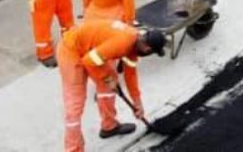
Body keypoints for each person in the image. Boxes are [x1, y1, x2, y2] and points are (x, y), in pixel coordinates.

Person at [58, 18, 167, 150]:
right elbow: (88, 61)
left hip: (94, 50)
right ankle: (73, 148)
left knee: (108, 86)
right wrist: (108, 79)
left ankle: (109, 126)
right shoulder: (123, 42)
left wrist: (137, 103)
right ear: (147, 48)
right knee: (75, 104)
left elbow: (130, 75)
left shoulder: (135, 44)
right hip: (72, 49)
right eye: (152, 52)